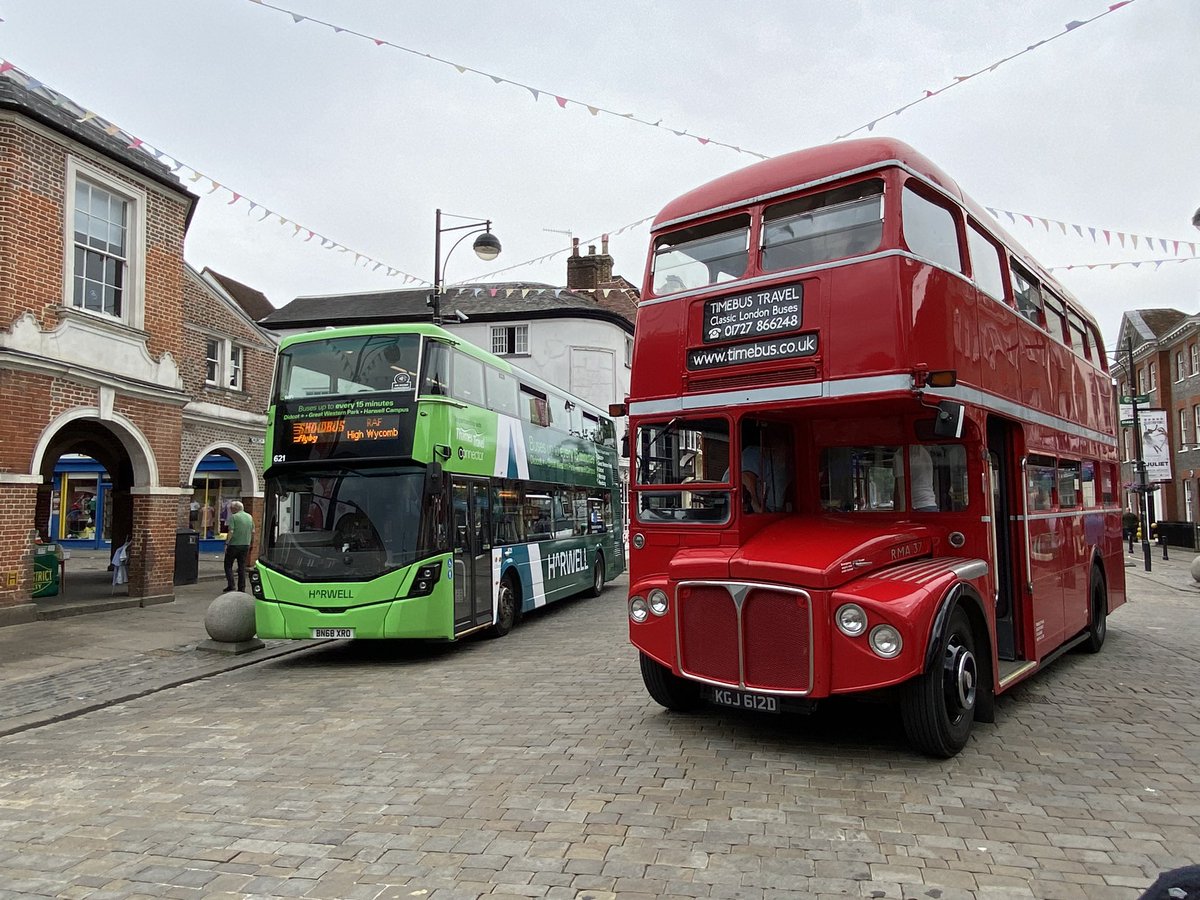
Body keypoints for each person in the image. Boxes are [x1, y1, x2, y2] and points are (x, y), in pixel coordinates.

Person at [223, 499, 254, 593]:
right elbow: (253, 531)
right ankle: (242, 587)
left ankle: (231, 585)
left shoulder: (234, 517)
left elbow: (231, 531)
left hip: (234, 545)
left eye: (231, 508)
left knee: (228, 565)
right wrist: (251, 543)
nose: (231, 510)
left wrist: (227, 543)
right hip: (245, 545)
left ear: (235, 509)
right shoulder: (249, 517)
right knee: (241, 566)